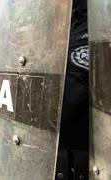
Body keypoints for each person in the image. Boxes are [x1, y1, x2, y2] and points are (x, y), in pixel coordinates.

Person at [57, 0, 89, 179]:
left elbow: (65, 104)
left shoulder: (94, 28)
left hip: (81, 163)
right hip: (50, 156)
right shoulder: (61, 27)